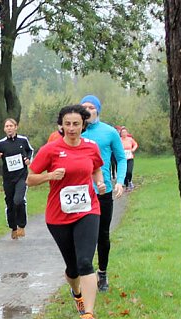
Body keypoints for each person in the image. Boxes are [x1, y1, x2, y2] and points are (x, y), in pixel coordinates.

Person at [27, 104, 106, 319]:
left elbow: (96, 170)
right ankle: (77, 293)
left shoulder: (91, 148)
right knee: (72, 268)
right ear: (60, 125)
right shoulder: (50, 150)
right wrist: (50, 176)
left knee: (85, 262)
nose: (72, 128)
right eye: (67, 124)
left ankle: (89, 317)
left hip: (88, 210)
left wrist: (99, 183)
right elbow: (30, 179)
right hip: (59, 216)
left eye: (76, 124)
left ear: (84, 125)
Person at [79, 94, 126, 293]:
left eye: (91, 107)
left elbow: (121, 158)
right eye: (84, 107)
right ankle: (85, 273)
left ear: (97, 110)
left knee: (102, 235)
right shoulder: (73, 132)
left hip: (103, 190)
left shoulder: (108, 132)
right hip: (80, 190)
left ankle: (103, 272)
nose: (88, 110)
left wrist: (121, 182)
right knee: (81, 235)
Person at [0, 118, 34, 239]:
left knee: (19, 200)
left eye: (11, 126)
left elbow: (30, 150)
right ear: (4, 129)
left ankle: (21, 225)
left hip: (22, 176)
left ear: (16, 127)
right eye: (6, 126)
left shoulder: (23, 140)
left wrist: (28, 159)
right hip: (8, 178)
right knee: (10, 203)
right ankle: (13, 228)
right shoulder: (1, 143)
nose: (9, 128)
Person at [120, 126, 138, 191]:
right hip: (122, 159)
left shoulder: (130, 139)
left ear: (127, 133)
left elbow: (135, 144)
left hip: (130, 158)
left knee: (129, 172)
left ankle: (130, 181)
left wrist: (133, 149)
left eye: (125, 132)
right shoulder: (119, 140)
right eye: (122, 132)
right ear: (121, 133)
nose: (124, 133)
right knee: (124, 172)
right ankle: (127, 185)